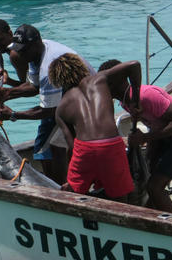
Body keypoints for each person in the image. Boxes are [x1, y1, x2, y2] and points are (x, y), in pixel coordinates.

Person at [100, 59, 172, 213]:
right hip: (169, 135)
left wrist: (144, 138)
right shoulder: (126, 102)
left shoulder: (145, 96)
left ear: (113, 82)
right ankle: (149, 214)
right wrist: (149, 151)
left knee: (155, 187)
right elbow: (155, 124)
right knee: (149, 178)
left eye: (103, 82)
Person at [0, 25, 94, 183]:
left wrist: (13, 115)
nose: (19, 54)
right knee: (46, 144)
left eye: (23, 50)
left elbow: (49, 111)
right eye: (18, 49)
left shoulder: (49, 66)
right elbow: (34, 86)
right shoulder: (37, 53)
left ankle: (60, 188)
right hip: (70, 98)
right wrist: (8, 93)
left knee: (48, 146)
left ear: (34, 45)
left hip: (88, 103)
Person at [49, 54, 142, 201]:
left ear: (57, 80)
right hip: (111, 144)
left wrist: (73, 178)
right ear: (81, 68)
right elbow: (134, 64)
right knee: (120, 198)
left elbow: (71, 148)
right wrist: (135, 100)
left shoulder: (61, 108)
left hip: (84, 148)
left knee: (74, 194)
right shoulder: (99, 79)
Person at [0, 19, 27, 86]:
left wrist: (8, 81)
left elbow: (31, 88)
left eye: (0, 40)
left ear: (10, 33)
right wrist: (1, 68)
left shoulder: (16, 55)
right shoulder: (16, 40)